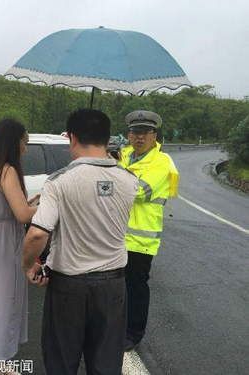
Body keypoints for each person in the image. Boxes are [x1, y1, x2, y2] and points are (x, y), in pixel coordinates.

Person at [22, 109, 138, 375]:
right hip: (113, 286)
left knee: (61, 361)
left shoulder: (59, 182)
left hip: (68, 288)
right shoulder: (130, 181)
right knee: (107, 364)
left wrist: (28, 266)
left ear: (72, 138)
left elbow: (38, 234)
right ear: (107, 138)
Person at [0, 118, 39, 374]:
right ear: (14, 141)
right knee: (5, 297)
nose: (26, 147)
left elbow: (10, 207)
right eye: (25, 141)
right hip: (6, 241)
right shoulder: (8, 170)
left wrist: (28, 202)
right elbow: (23, 215)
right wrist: (43, 206)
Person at [118, 110, 180, 351]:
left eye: (145, 132)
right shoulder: (122, 155)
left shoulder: (162, 163)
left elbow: (137, 191)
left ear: (155, 135)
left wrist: (110, 173)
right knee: (116, 287)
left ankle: (133, 332)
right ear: (128, 134)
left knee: (136, 287)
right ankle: (116, 326)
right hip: (116, 236)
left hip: (140, 240)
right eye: (135, 132)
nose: (139, 137)